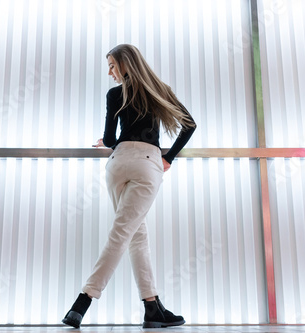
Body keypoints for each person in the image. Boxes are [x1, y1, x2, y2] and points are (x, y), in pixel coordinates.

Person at [62, 44, 196, 329]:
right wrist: (167, 158)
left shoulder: (115, 94)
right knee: (124, 233)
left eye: (112, 65)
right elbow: (190, 125)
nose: (110, 73)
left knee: (134, 235)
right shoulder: (160, 89)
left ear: (125, 63)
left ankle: (152, 307)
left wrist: (106, 142)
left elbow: (110, 138)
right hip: (147, 162)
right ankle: (83, 301)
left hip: (118, 163)